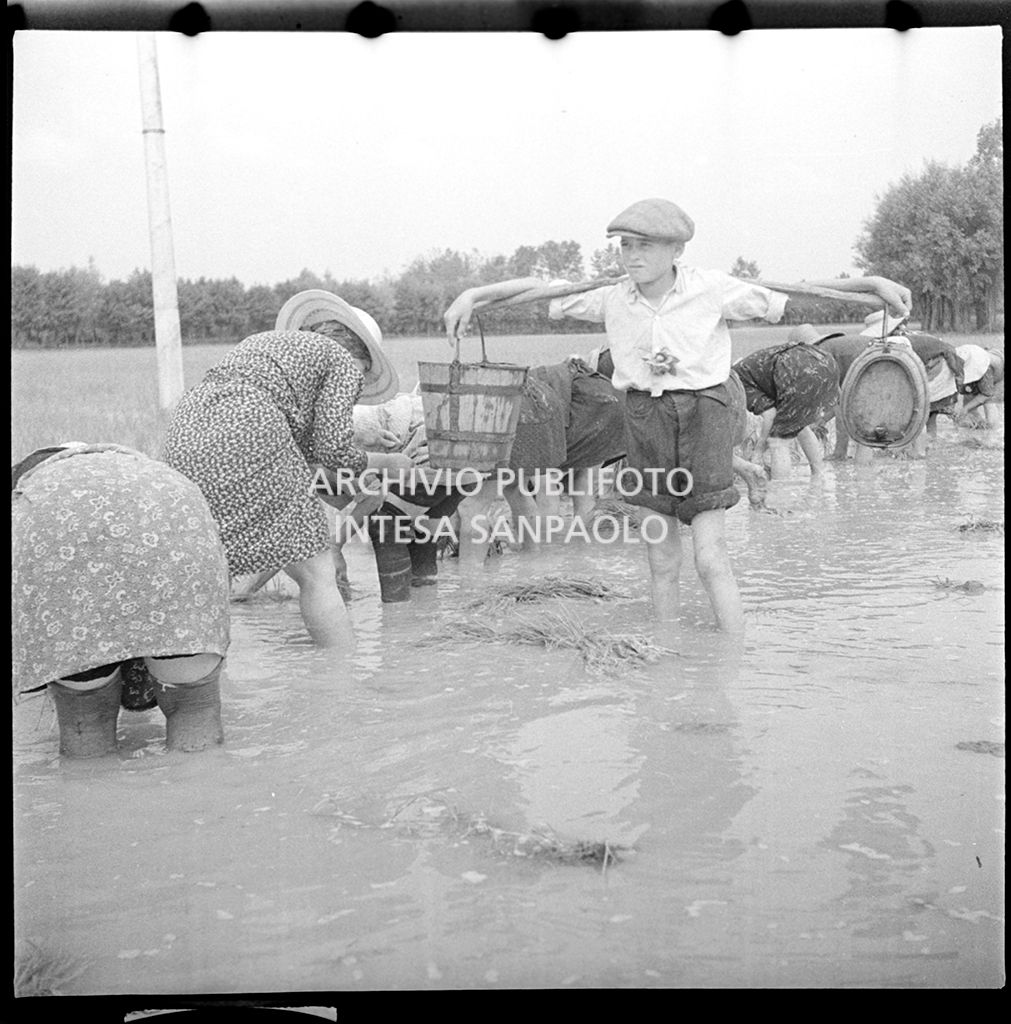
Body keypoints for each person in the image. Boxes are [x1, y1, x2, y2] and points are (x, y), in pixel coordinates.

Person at [444, 198, 912, 632]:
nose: (631, 255)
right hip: (644, 421)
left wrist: (871, 285)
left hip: (704, 419)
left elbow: (797, 292)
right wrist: (473, 294)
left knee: (710, 559)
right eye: (625, 245)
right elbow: (537, 291)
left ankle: (733, 655)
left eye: (644, 245)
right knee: (661, 558)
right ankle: (667, 657)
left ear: (677, 249)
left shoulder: (711, 289)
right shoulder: (612, 296)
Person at [163, 290, 418, 646]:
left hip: (184, 433)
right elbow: (332, 451)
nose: (357, 382)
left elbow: (303, 448)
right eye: (361, 373)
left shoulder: (265, 345)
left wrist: (363, 445)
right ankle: (342, 678)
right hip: (250, 433)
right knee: (317, 573)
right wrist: (390, 463)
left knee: (210, 559)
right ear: (358, 354)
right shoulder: (342, 362)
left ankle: (202, 676)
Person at [12, 443, 231, 757]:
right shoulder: (151, 472)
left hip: (64, 552)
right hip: (175, 525)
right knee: (192, 709)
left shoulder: (30, 493)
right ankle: (202, 803)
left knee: (87, 723)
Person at [731, 336, 841, 480]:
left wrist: (758, 451)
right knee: (801, 427)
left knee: (777, 441)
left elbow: (770, 415)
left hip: (797, 370)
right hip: (827, 363)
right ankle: (819, 477)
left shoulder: (739, 383)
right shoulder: (752, 371)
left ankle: (781, 493)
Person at [955, 344, 1004, 427]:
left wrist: (965, 408)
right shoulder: (963, 365)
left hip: (998, 374)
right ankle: (977, 426)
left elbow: (986, 394)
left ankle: (991, 432)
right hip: (984, 369)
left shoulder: (984, 367)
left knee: (991, 417)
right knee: (969, 410)